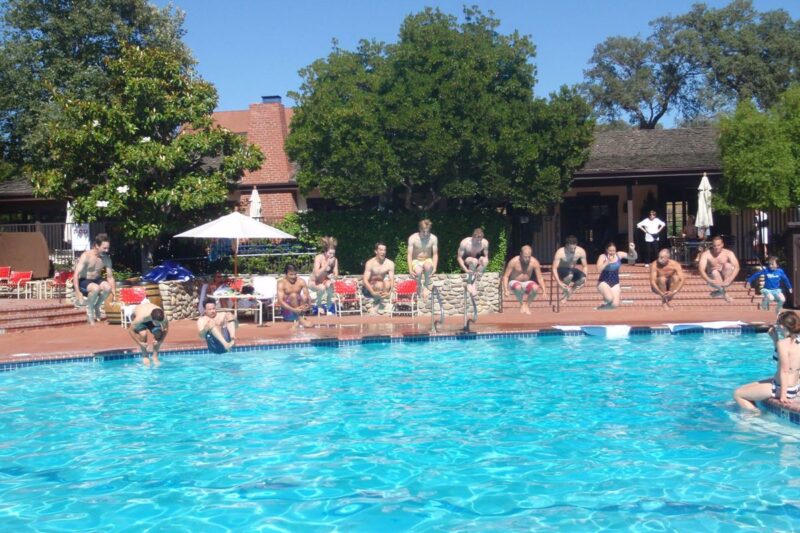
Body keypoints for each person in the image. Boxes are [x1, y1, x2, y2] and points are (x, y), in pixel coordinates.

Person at [734, 311, 800, 414]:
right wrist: (775, 339)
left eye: (777, 324)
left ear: (782, 326)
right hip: (793, 387)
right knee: (743, 388)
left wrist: (783, 396)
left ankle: (756, 414)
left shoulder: (783, 344)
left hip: (783, 388)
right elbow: (787, 361)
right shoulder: (796, 341)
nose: (776, 326)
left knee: (738, 394)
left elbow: (784, 371)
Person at [72, 233, 116, 325]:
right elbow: (76, 275)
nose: (107, 250)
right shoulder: (86, 256)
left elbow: (110, 277)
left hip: (96, 279)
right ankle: (90, 310)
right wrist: (78, 292)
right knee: (95, 288)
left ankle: (97, 306)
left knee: (108, 288)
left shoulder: (106, 259)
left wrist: (114, 292)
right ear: (97, 246)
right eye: (104, 248)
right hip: (83, 281)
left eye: (108, 248)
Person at [501, 245, 546, 315]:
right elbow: (506, 276)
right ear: (521, 254)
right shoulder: (514, 261)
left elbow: (539, 277)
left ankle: (527, 305)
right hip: (514, 282)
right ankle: (521, 304)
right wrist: (506, 289)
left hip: (526, 283)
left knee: (535, 287)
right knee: (518, 286)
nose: (527, 259)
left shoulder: (534, 262)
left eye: (529, 257)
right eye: (525, 257)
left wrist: (544, 291)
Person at [698, 235, 740, 303]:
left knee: (727, 265)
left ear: (722, 245)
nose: (716, 247)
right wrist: (708, 280)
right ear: (712, 245)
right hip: (713, 279)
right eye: (715, 245)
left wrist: (730, 279)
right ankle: (725, 294)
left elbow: (737, 267)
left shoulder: (728, 253)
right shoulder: (706, 254)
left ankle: (720, 290)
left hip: (726, 278)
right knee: (714, 272)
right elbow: (701, 270)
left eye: (718, 245)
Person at [596, 242, 637, 309]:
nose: (612, 252)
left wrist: (632, 250)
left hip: (615, 282)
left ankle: (602, 309)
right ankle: (603, 304)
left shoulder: (619, 254)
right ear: (606, 250)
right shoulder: (603, 256)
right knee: (609, 299)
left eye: (613, 250)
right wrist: (607, 262)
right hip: (603, 281)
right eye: (610, 250)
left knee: (614, 305)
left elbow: (634, 257)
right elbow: (598, 269)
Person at [128, 301, 168, 366]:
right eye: (157, 323)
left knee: (158, 334)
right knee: (143, 334)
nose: (159, 324)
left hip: (151, 316)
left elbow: (166, 329)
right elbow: (130, 330)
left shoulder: (163, 317)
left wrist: (161, 340)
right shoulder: (140, 318)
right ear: (152, 319)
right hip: (136, 315)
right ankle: (145, 356)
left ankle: (155, 356)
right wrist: (139, 343)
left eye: (160, 323)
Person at [551, 235, 588, 301]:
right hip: (561, 270)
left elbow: (585, 266)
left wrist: (585, 279)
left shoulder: (581, 251)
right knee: (570, 274)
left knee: (582, 278)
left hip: (571, 270)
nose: (573, 250)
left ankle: (570, 292)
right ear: (566, 245)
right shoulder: (560, 252)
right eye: (571, 249)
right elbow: (554, 268)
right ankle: (565, 290)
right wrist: (559, 282)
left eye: (574, 248)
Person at [407, 219, 438, 296]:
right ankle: (419, 285)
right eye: (424, 231)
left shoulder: (433, 238)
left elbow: (435, 254)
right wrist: (410, 269)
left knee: (428, 266)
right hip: (416, 260)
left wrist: (434, 268)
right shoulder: (413, 238)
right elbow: (409, 255)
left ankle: (426, 286)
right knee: (418, 271)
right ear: (420, 229)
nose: (426, 233)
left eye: (428, 231)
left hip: (427, 259)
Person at [363, 242, 396, 315]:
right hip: (369, 289)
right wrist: (372, 292)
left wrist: (390, 292)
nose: (383, 252)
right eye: (381, 250)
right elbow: (365, 280)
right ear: (376, 251)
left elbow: (392, 279)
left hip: (381, 287)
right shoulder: (370, 263)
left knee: (387, 283)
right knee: (379, 284)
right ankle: (378, 304)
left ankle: (380, 303)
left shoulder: (390, 263)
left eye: (384, 250)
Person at [309, 236, 339, 315]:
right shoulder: (318, 258)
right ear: (325, 252)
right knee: (322, 288)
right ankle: (319, 304)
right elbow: (317, 273)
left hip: (324, 281)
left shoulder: (335, 260)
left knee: (330, 287)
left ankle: (328, 307)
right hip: (313, 282)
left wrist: (333, 278)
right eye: (330, 253)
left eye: (333, 253)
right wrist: (326, 265)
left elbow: (336, 273)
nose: (331, 255)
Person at [456, 228, 489, 297]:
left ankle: (474, 282)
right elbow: (459, 258)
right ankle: (469, 283)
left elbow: (486, 256)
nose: (479, 242)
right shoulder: (465, 243)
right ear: (473, 237)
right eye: (477, 240)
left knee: (485, 261)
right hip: (467, 261)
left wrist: (482, 262)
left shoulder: (485, 243)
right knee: (474, 260)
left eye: (480, 240)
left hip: (476, 261)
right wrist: (465, 269)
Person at [278, 263, 311, 329]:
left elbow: (308, 296)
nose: (293, 276)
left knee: (304, 296)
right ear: (286, 274)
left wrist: (308, 306)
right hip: (288, 311)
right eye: (291, 275)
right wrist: (294, 310)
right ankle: (301, 320)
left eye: (295, 274)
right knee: (293, 295)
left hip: (300, 310)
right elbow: (280, 301)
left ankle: (298, 322)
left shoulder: (301, 281)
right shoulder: (281, 283)